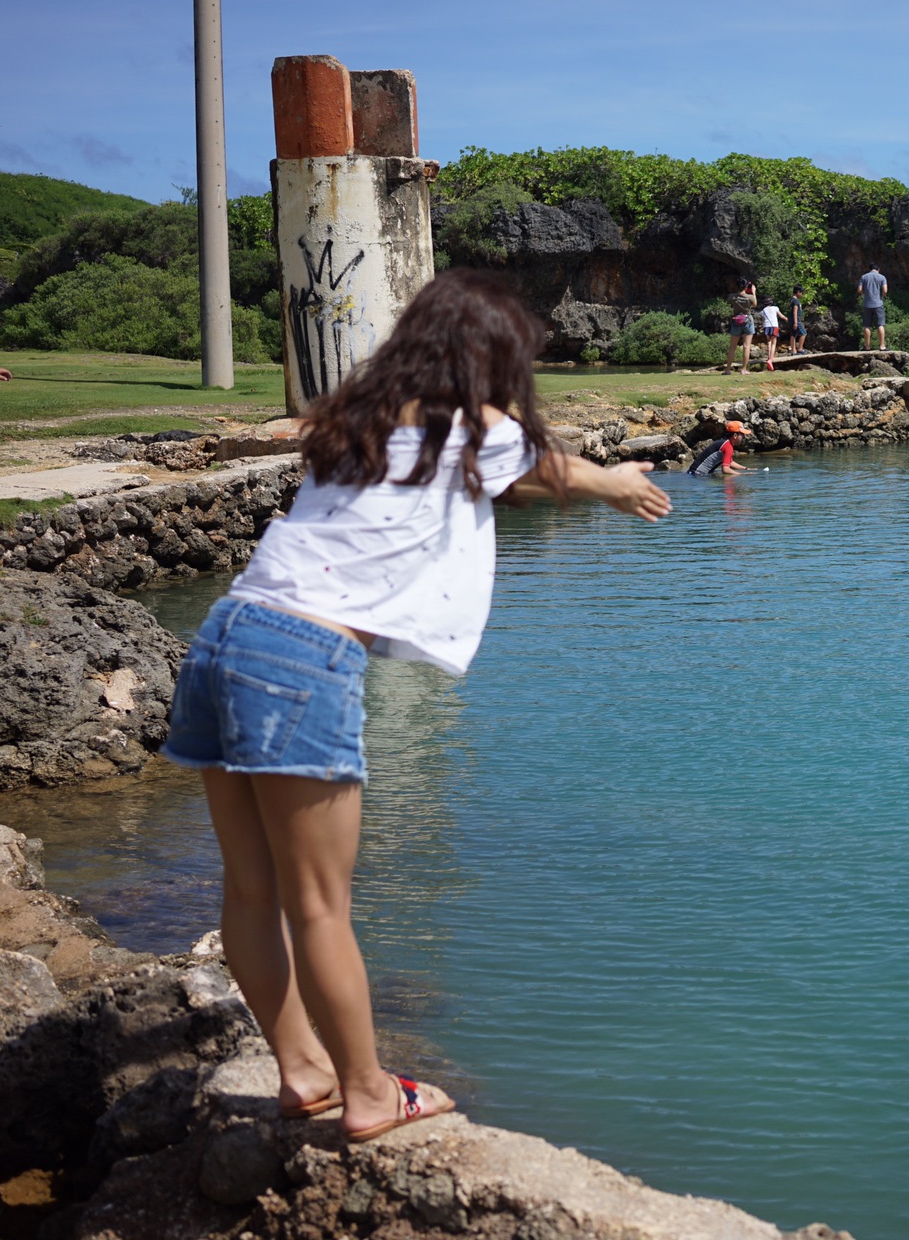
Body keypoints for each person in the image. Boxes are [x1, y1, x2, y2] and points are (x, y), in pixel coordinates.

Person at [161, 270, 671, 1144]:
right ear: (491, 357)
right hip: (302, 655)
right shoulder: (475, 424)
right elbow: (553, 472)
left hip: (225, 632)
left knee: (249, 888)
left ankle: (303, 1073)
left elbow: (498, 484)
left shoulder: (355, 420)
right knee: (320, 902)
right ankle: (367, 1092)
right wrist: (619, 486)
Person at [687, 419, 754, 477]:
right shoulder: (727, 446)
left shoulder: (724, 443)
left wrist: (746, 469)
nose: (743, 437)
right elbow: (725, 470)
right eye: (742, 435)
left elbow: (729, 462)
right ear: (735, 435)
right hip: (697, 476)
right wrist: (742, 475)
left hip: (692, 474)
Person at [727, 280, 757, 373]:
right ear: (746, 287)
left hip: (736, 321)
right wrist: (753, 292)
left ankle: (728, 370)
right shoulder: (750, 297)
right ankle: (743, 369)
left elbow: (729, 302)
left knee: (732, 347)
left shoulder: (732, 297)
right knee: (746, 346)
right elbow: (755, 304)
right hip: (747, 321)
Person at [857, 266, 888, 350]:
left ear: (870, 269)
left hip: (867, 304)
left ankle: (867, 346)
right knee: (880, 324)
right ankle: (882, 346)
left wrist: (864, 294)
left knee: (867, 326)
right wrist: (883, 296)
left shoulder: (864, 277)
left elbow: (859, 290)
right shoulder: (882, 277)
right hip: (878, 303)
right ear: (878, 269)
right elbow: (885, 291)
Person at [759, 298, 782, 370]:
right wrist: (787, 319)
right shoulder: (775, 308)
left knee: (768, 341)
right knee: (774, 343)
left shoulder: (762, 311)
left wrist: (762, 327)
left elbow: (763, 321)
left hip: (766, 326)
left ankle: (769, 357)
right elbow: (781, 316)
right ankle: (770, 359)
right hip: (774, 326)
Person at [788, 286, 807, 354]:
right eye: (801, 292)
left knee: (793, 335)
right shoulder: (796, 301)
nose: (802, 294)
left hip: (791, 320)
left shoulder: (791, 300)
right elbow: (795, 311)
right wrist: (796, 322)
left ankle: (793, 351)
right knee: (804, 333)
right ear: (798, 292)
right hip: (796, 321)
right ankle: (800, 348)